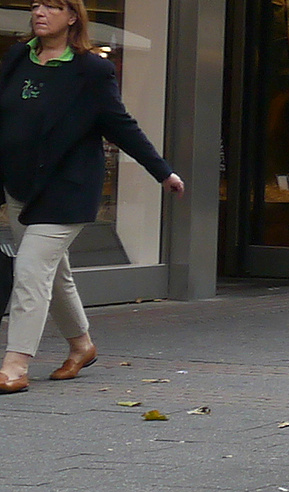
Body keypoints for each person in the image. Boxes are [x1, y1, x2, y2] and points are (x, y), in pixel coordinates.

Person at [0, 0, 184, 395]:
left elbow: (120, 125)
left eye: (51, 5)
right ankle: (81, 345)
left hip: (66, 190)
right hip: (20, 186)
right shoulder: (19, 56)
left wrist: (162, 171)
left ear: (72, 17)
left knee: (31, 271)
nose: (39, 11)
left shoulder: (91, 70)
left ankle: (15, 364)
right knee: (54, 273)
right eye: (35, 5)